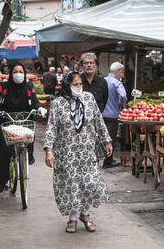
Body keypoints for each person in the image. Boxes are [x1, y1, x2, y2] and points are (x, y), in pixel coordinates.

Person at [44, 71, 112, 234]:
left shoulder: (88, 98)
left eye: (80, 84)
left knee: (89, 183)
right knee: (72, 184)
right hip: (67, 152)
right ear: (67, 85)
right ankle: (73, 217)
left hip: (87, 150)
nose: (79, 87)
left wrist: (107, 140)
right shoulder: (58, 103)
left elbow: (98, 120)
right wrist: (49, 150)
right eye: (75, 85)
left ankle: (85, 214)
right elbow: (51, 127)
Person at [0, 63, 47, 192]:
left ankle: (28, 157)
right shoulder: (2, 86)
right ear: (11, 73)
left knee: (27, 144)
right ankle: (3, 179)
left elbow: (35, 101)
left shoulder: (28, 86)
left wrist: (39, 108)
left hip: (25, 122)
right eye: (15, 71)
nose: (18, 74)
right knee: (6, 152)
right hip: (7, 122)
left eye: (21, 71)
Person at [102, 62, 127, 168]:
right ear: (117, 72)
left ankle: (102, 158)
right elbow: (123, 95)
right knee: (110, 138)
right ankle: (108, 161)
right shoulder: (117, 83)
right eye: (121, 72)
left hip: (101, 114)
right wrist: (122, 102)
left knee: (102, 137)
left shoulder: (103, 81)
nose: (122, 74)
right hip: (112, 115)